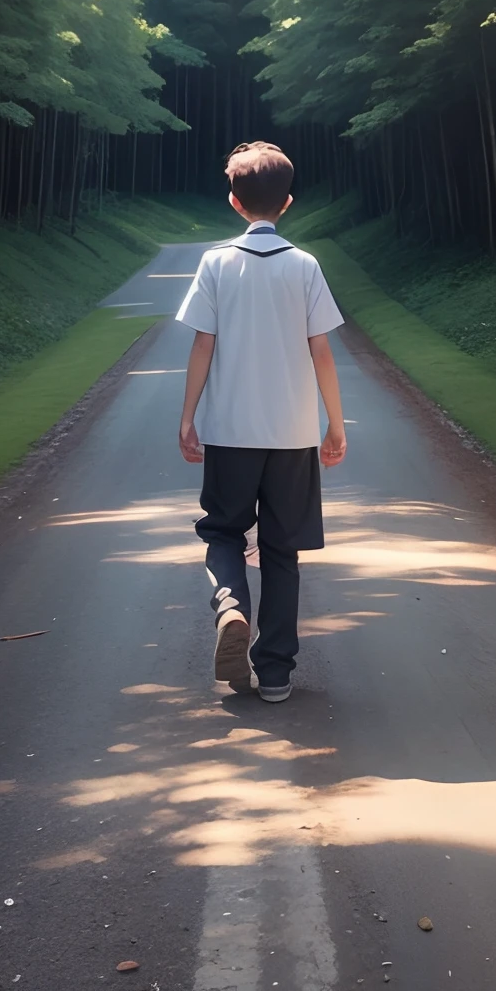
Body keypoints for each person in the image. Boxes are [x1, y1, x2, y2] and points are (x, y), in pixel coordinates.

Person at [175, 142, 347, 702]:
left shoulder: (215, 263)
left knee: (222, 531)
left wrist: (187, 418)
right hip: (293, 435)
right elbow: (320, 349)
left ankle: (229, 603)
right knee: (281, 550)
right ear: (288, 203)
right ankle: (274, 673)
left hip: (229, 431)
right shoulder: (305, 265)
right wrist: (335, 425)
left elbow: (204, 343)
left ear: (234, 202)